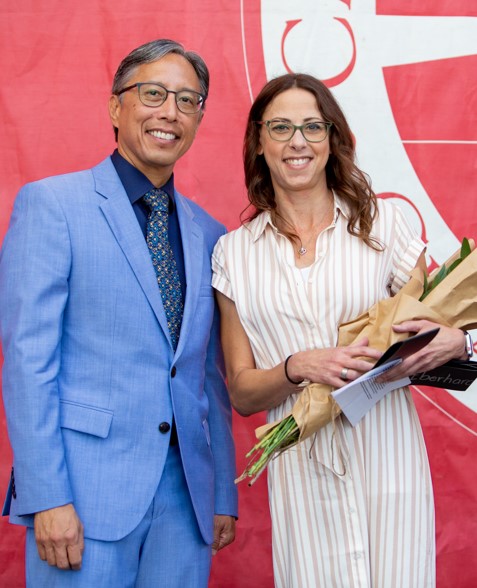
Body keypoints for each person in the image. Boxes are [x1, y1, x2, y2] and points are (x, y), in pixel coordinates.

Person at [211, 73, 471, 587]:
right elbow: (241, 392)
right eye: (280, 127)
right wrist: (297, 366)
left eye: (312, 126)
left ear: (333, 138)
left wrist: (458, 340)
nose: (297, 142)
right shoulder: (233, 255)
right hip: (300, 470)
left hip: (386, 455)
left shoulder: (385, 226)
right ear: (258, 142)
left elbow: (431, 328)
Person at [0, 38, 237, 587]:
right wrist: (46, 496)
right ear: (115, 106)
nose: (169, 112)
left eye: (188, 100)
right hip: (83, 497)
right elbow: (28, 363)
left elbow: (207, 376)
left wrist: (221, 490)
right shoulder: (53, 206)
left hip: (186, 504)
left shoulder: (209, 234)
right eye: (153, 93)